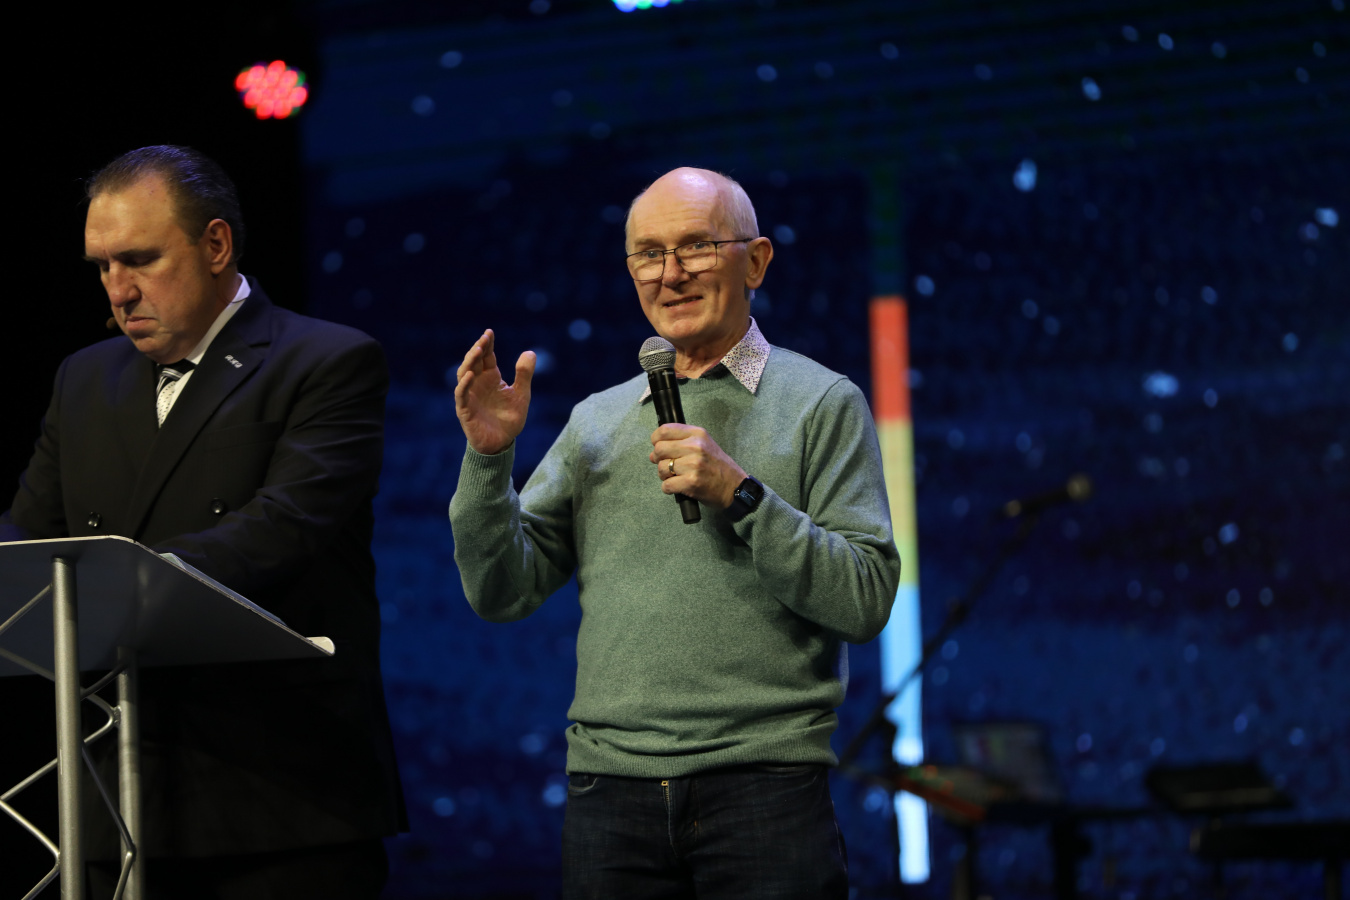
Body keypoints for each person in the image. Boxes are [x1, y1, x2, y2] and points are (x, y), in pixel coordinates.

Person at [449, 167, 900, 898]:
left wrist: (742, 495)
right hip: (610, 792)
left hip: (765, 786)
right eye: (649, 254)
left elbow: (866, 599)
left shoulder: (822, 402)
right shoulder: (597, 421)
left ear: (755, 261)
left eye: (696, 246)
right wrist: (488, 460)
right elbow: (501, 591)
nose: (671, 273)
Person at [0, 145, 406, 899]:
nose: (118, 290)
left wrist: (125, 584)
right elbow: (27, 538)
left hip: (284, 800)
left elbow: (281, 528)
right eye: (102, 267)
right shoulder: (84, 377)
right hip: (118, 797)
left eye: (139, 260)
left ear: (216, 245)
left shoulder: (327, 361)